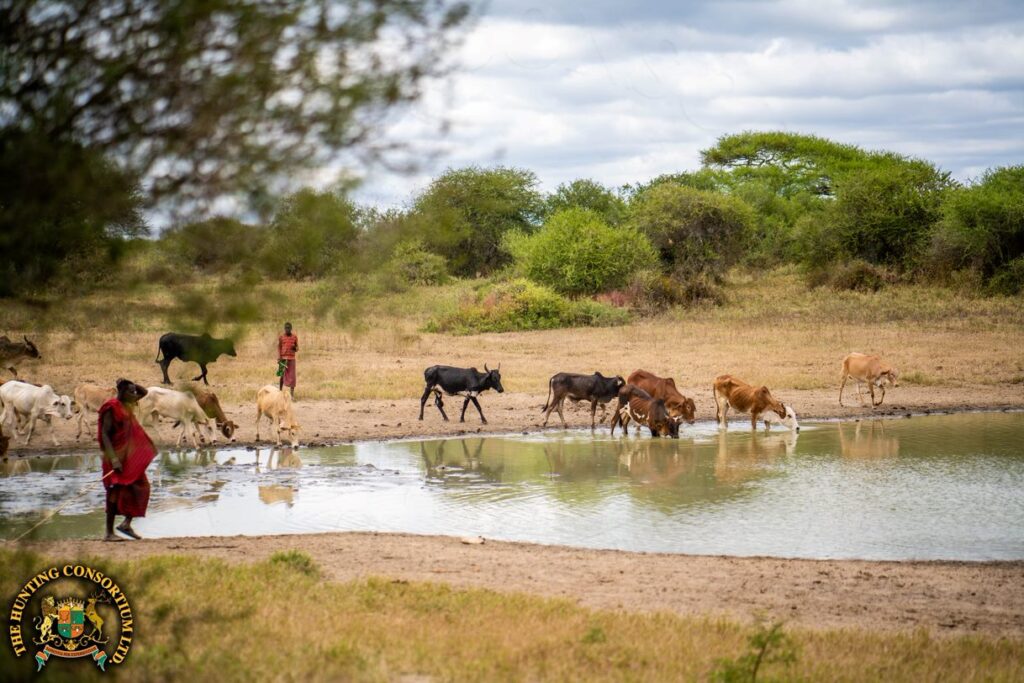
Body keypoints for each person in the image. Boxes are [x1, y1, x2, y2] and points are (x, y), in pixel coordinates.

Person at [98, 379, 157, 541]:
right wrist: (114, 460)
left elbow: (144, 391)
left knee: (141, 487)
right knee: (114, 493)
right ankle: (109, 533)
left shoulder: (127, 404)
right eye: (131, 392)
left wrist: (129, 384)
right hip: (114, 456)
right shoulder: (111, 407)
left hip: (128, 459)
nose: (135, 395)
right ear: (122, 392)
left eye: (133, 392)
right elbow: (105, 434)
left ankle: (126, 524)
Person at [278, 322, 298, 397]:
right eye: (286, 328)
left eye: (289, 328)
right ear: (284, 329)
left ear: (291, 328)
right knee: (281, 374)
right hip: (283, 358)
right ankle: (279, 391)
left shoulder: (294, 337)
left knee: (292, 377)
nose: (287, 329)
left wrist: (295, 348)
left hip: (292, 358)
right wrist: (279, 357)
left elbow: (297, 348)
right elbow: (279, 347)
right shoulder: (281, 337)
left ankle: (292, 395)